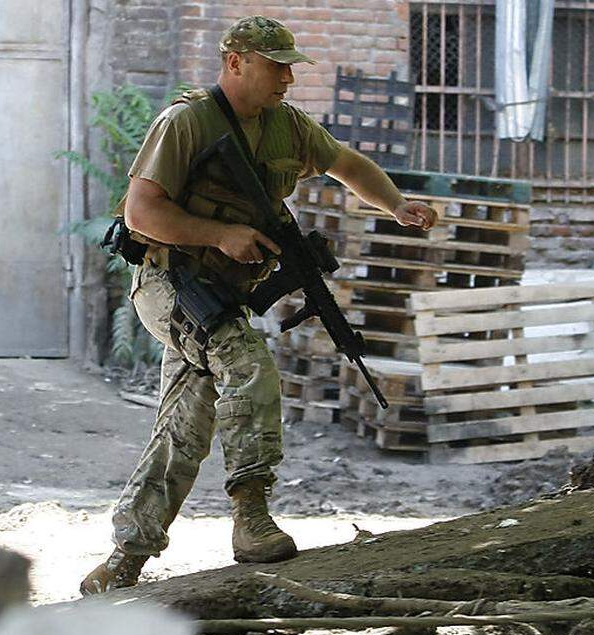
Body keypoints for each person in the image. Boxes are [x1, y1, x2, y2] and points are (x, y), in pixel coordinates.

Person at [80, 15, 438, 595]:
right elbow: (141, 214)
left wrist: (397, 206)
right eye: (276, 66)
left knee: (183, 428)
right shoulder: (187, 122)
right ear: (236, 61)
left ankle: (125, 559)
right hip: (170, 282)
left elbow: (347, 164)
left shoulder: (287, 127)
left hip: (225, 294)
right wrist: (218, 235)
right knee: (249, 365)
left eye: (291, 67)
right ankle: (250, 518)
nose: (286, 79)